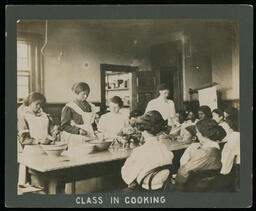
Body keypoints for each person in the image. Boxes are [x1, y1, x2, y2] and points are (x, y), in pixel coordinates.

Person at [121, 110, 174, 191]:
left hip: (144, 190)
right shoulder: (165, 149)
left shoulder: (140, 151)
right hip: (163, 189)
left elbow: (127, 177)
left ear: (143, 131)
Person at [17, 92, 58, 188]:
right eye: (37, 104)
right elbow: (23, 139)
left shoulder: (45, 115)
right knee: (35, 183)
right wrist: (39, 141)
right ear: (30, 103)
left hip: (45, 151)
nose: (39, 107)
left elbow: (49, 130)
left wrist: (54, 132)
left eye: (41, 104)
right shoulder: (24, 116)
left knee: (48, 179)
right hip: (31, 153)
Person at [173, 118, 226, 191]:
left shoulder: (205, 152)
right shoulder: (216, 148)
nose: (197, 134)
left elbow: (183, 174)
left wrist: (175, 180)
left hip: (195, 187)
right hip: (209, 186)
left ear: (204, 134)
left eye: (197, 132)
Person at [61, 82, 96, 152]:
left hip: (89, 135)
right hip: (76, 137)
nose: (85, 96)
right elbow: (64, 126)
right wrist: (78, 130)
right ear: (76, 93)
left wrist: (96, 130)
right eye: (83, 94)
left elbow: (91, 123)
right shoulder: (69, 107)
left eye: (87, 94)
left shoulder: (90, 106)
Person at [217, 116, 240, 191]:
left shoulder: (233, 136)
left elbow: (228, 157)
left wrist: (223, 171)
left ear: (230, 127)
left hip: (237, 167)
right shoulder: (237, 134)